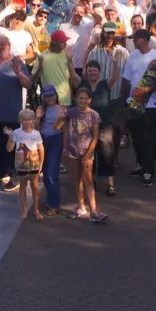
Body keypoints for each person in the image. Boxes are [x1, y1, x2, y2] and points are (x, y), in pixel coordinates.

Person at [0, 35, 31, 192]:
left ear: (9, 46)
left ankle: (14, 175)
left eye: (3, 45)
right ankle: (2, 171)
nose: (0, 48)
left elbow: (28, 84)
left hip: (12, 113)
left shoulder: (17, 62)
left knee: (13, 147)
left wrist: (19, 73)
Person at [122, 29, 156, 187]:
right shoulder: (132, 56)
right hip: (134, 103)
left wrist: (147, 90)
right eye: (134, 38)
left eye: (137, 38)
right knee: (137, 136)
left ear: (146, 39)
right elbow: (126, 80)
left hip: (150, 104)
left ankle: (149, 170)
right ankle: (140, 164)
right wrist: (125, 100)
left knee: (149, 137)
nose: (134, 41)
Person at [81, 60, 120, 197]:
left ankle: (111, 185)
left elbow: (114, 78)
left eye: (95, 70)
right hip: (87, 126)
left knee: (107, 153)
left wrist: (115, 65)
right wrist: (69, 60)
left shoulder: (105, 84)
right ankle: (91, 181)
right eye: (90, 70)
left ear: (99, 72)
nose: (92, 72)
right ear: (86, 72)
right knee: (88, 154)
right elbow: (72, 75)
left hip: (104, 124)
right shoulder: (82, 84)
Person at [64, 86, 103, 221]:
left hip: (87, 151)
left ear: (90, 100)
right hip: (72, 150)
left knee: (88, 180)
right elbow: (61, 129)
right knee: (77, 179)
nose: (83, 101)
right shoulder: (70, 113)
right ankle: (81, 205)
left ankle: (93, 210)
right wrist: (65, 148)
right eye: (80, 98)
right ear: (76, 99)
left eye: (85, 98)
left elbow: (95, 136)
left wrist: (88, 154)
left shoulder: (94, 115)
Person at [8, 110, 44, 221]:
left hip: (34, 164)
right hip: (21, 164)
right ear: (20, 120)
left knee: (35, 187)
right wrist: (10, 137)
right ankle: (24, 210)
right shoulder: (16, 133)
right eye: (24, 119)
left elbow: (41, 150)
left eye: (29, 119)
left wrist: (41, 164)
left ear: (33, 120)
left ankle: (36, 210)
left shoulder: (36, 134)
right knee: (22, 187)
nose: (27, 122)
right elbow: (9, 149)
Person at [38, 85, 66, 215]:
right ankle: (50, 200)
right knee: (44, 172)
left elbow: (57, 128)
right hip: (42, 140)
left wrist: (61, 118)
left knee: (51, 173)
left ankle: (54, 204)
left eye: (52, 95)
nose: (50, 98)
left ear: (56, 95)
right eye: (47, 96)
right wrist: (38, 117)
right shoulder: (40, 109)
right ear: (43, 97)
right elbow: (36, 128)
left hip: (55, 139)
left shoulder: (60, 109)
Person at [38, 29, 77, 106]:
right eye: (62, 41)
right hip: (49, 99)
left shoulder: (68, 54)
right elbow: (36, 76)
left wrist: (71, 92)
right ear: (55, 42)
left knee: (64, 118)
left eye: (65, 41)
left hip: (65, 98)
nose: (65, 44)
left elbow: (71, 76)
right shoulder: (42, 56)